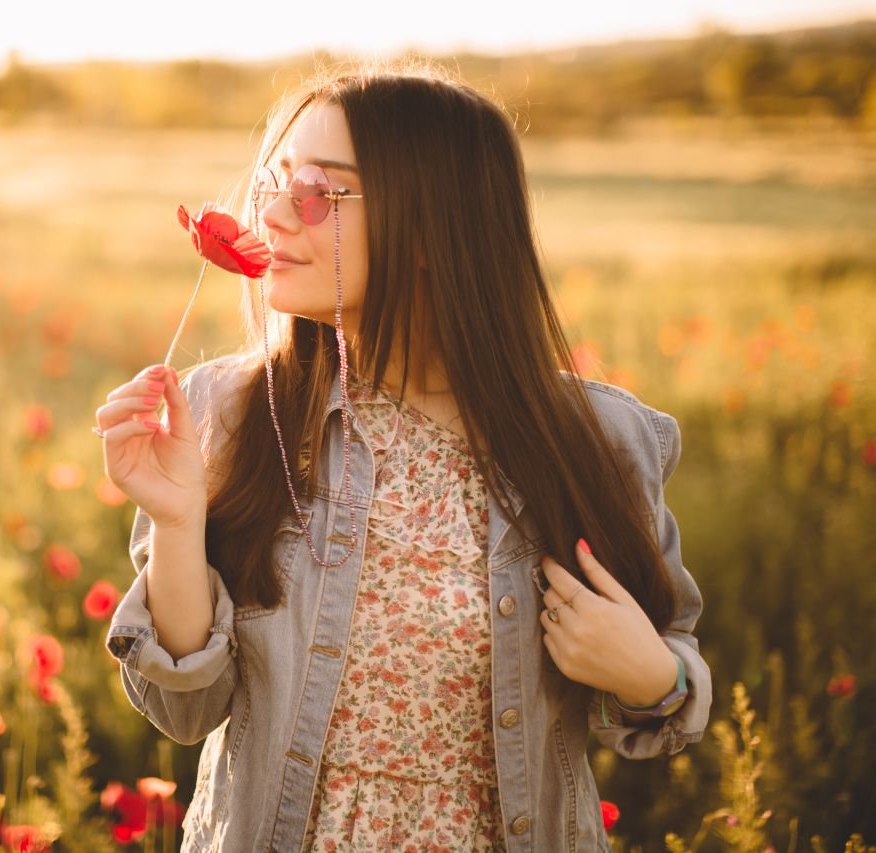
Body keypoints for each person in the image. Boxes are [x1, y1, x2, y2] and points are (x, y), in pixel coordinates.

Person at [95, 60, 710, 852]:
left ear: (433, 225)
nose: (275, 215)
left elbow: (672, 697)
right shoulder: (230, 413)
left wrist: (652, 675)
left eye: (318, 192)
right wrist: (176, 520)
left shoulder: (596, 439)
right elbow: (184, 708)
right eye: (274, 182)